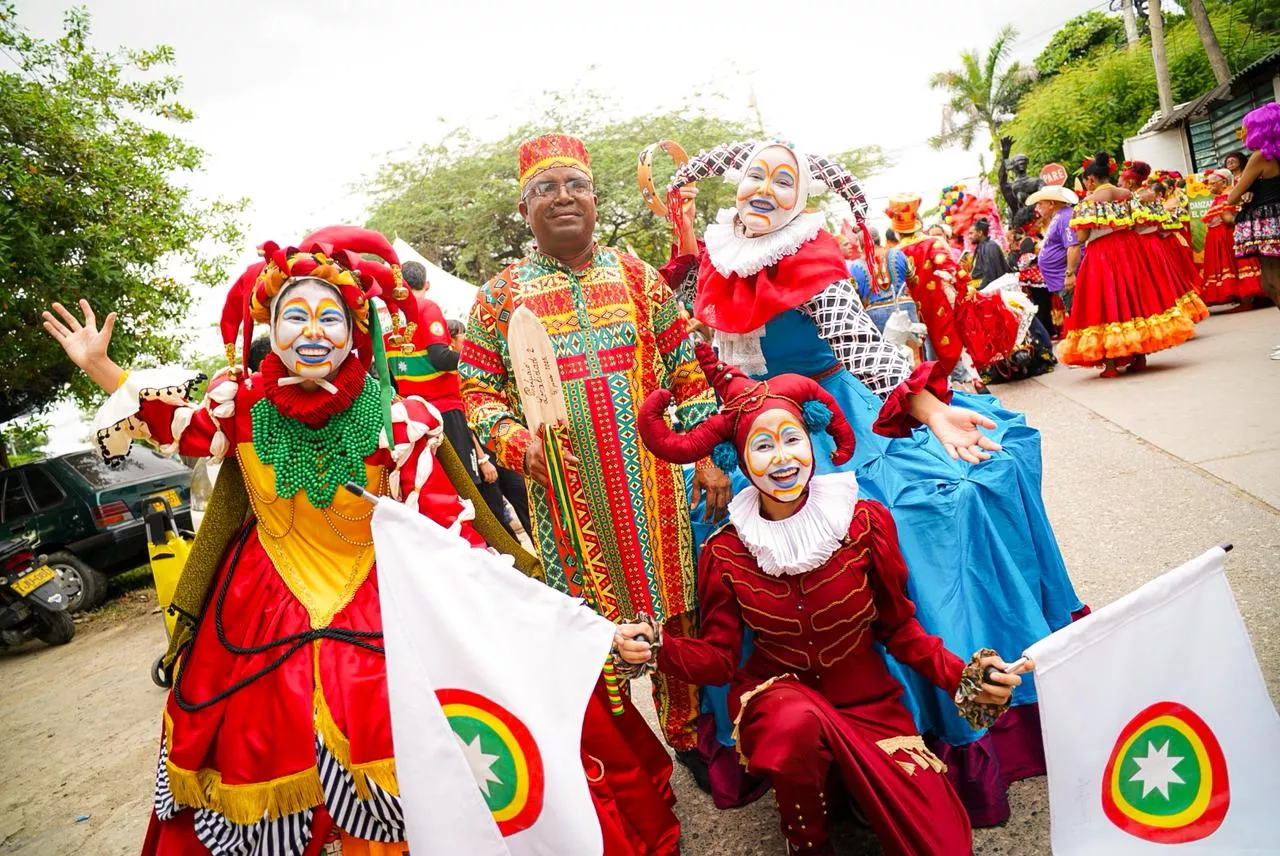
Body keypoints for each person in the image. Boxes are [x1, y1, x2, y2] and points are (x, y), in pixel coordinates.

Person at [663, 139, 1086, 825]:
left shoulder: (810, 260)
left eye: (782, 180)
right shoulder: (713, 263)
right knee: (728, 553)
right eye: (753, 178)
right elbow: (695, 356)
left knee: (912, 535)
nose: (764, 190)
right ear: (734, 188)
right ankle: (789, 734)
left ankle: (923, 736)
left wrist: (927, 409)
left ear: (802, 197)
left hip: (832, 423)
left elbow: (862, 348)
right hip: (752, 430)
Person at [41, 229, 494, 855]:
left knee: (396, 739)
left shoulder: (400, 419)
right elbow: (169, 426)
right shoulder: (241, 407)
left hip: (378, 593)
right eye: (296, 317)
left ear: (357, 331)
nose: (313, 332)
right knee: (262, 738)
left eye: (330, 318)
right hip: (262, 597)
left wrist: (502, 609)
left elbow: (446, 527)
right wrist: (98, 365)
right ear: (272, 330)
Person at [622, 343, 1032, 856]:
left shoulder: (864, 522)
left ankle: (860, 789)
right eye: (763, 446)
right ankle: (806, 841)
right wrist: (656, 647)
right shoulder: (726, 551)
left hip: (870, 707)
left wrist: (966, 677)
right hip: (781, 703)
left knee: (945, 843)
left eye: (791, 439)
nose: (783, 458)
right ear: (742, 461)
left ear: (811, 443)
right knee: (795, 726)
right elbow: (722, 660)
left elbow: (902, 632)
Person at [459, 133, 730, 761]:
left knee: (676, 610)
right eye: (545, 189)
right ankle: (618, 757)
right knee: (584, 623)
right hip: (565, 494)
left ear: (594, 197)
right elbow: (477, 389)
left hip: (657, 488)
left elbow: (686, 372)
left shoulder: (638, 278)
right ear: (525, 210)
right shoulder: (499, 298)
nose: (563, 198)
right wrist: (513, 440)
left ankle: (688, 738)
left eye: (575, 185)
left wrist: (708, 457)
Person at [1058, 152, 1207, 377]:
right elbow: (1142, 226)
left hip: (1102, 255)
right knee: (1134, 298)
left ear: (1090, 180)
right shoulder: (1128, 195)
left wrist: (1070, 272)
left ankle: (1110, 365)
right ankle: (1139, 357)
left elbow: (1080, 239)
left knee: (1107, 302)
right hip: (1130, 250)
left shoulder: (1088, 203)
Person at [448, 318, 532, 537]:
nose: (467, 341)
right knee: (498, 512)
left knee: (525, 503)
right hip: (486, 449)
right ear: (452, 342)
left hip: (506, 440)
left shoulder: (478, 367)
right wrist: (483, 458)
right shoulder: (453, 375)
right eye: (463, 337)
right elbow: (468, 420)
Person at [1229, 102, 1280, 358]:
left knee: (1272, 281)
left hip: (1267, 223)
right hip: (1274, 219)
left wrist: (1245, 190)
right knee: (1270, 281)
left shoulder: (1261, 156)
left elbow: (1232, 197)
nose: (1245, 133)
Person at [1199, 168, 1265, 309]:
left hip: (1226, 237)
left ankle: (1246, 301)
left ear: (1223, 182)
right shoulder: (1230, 194)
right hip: (1229, 235)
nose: (1209, 187)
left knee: (1235, 266)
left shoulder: (1224, 197)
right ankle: (1251, 299)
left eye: (1212, 183)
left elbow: (1228, 220)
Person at [1027, 185, 1080, 323]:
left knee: (1078, 315)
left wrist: (1070, 274)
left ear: (1051, 204)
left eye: (1040, 203)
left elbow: (1073, 246)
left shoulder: (1065, 216)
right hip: (1060, 280)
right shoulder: (1058, 217)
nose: (1038, 207)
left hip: (1066, 279)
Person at [966, 218, 1008, 287]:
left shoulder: (990, 247)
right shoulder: (981, 246)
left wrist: (981, 291)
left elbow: (991, 275)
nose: (969, 237)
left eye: (971, 233)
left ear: (980, 233)